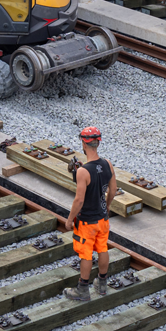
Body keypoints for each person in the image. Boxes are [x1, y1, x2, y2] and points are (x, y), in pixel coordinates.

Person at [63, 126, 117, 302]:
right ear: (97, 142)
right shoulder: (107, 164)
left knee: (85, 254)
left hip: (87, 222)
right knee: (102, 248)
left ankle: (83, 289)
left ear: (84, 144)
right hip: (103, 219)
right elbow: (113, 190)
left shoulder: (82, 171)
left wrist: (70, 219)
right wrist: (107, 206)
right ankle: (101, 285)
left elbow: (79, 200)